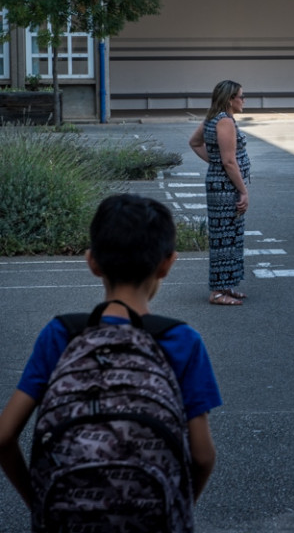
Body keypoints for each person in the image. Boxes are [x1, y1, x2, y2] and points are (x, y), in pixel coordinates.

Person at [0, 194, 221, 527]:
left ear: (92, 262)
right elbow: (203, 457)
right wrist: (175, 509)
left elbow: (3, 437)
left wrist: (40, 503)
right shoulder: (182, 341)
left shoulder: (60, 334)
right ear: (167, 263)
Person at [188, 79, 251, 306]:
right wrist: (243, 191)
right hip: (226, 187)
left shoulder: (213, 118)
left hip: (221, 182)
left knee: (230, 236)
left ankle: (226, 285)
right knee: (224, 238)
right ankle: (216, 292)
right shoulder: (224, 122)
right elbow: (228, 161)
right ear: (229, 99)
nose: (244, 100)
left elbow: (195, 142)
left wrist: (214, 162)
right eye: (241, 96)